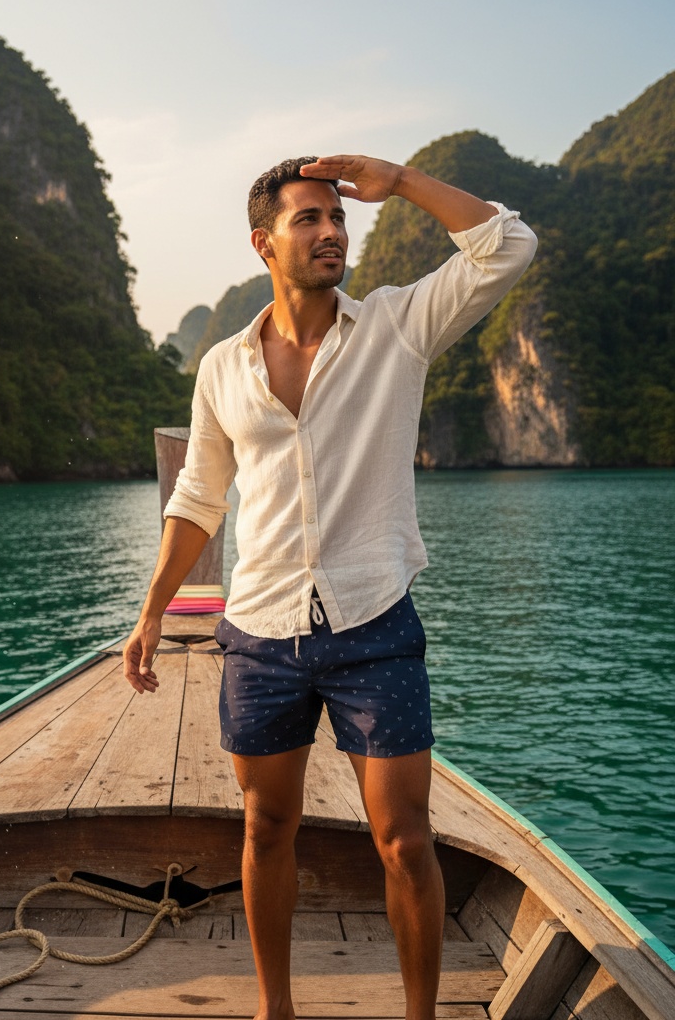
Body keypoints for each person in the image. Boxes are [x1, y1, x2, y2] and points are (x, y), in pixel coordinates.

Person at [123, 154, 537, 1020]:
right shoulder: (224, 369)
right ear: (262, 244)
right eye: (307, 218)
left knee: (403, 838)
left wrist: (406, 182)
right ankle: (277, 1009)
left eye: (336, 218)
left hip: (373, 622)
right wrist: (153, 611)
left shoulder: (396, 327)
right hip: (262, 633)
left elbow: (508, 246)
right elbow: (199, 499)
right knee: (266, 828)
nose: (330, 231)